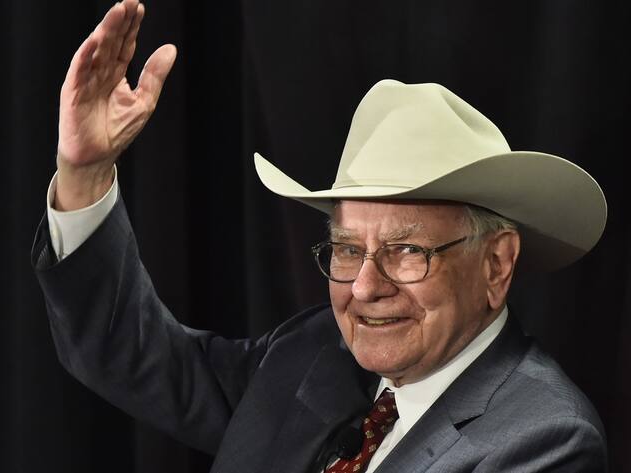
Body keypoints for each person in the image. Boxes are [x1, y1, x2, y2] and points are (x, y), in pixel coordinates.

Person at [31, 1, 609, 471]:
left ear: (496, 264)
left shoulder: (545, 440)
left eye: (407, 250)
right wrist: (84, 172)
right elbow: (133, 356)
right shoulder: (313, 353)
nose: (363, 288)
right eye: (349, 248)